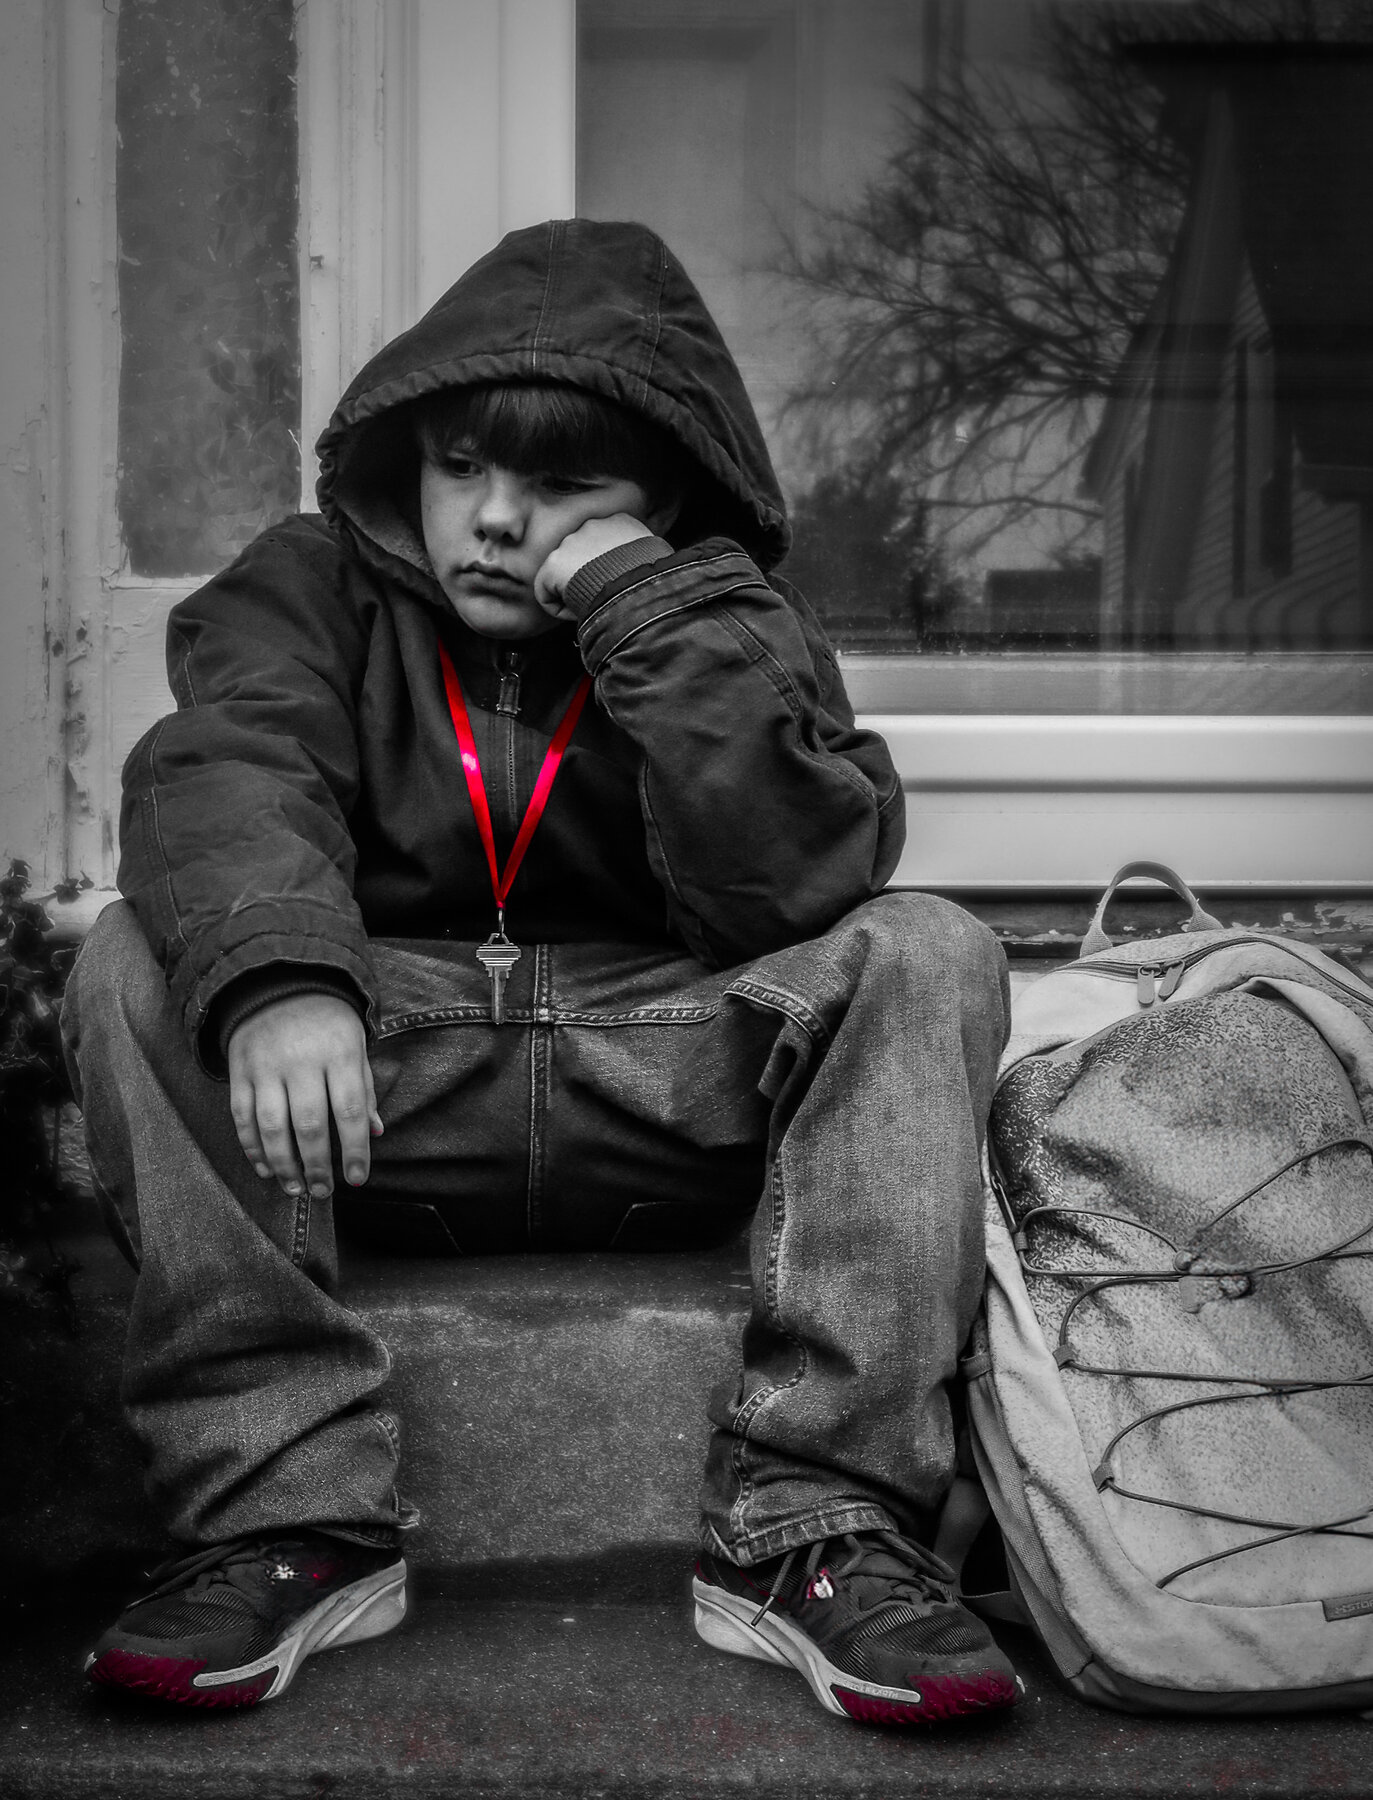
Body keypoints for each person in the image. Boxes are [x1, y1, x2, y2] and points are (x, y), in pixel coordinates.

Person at [61, 218, 1020, 1724]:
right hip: (383, 1089)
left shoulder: (721, 621)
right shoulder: (311, 582)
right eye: (462, 470)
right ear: (413, 465)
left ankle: (814, 1525)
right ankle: (281, 1512)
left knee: (928, 948)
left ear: (663, 500)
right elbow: (228, 760)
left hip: (666, 1076)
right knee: (136, 948)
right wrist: (279, 980)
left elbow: (794, 883)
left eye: (564, 486)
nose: (497, 519)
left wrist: (639, 604)